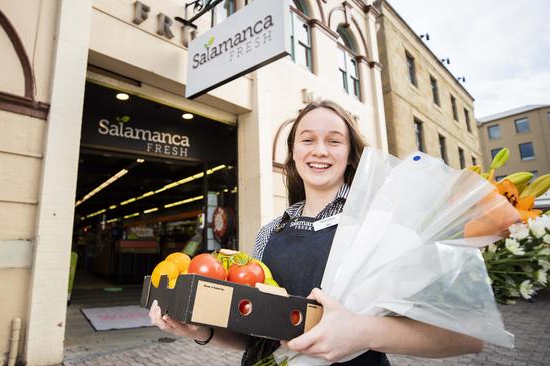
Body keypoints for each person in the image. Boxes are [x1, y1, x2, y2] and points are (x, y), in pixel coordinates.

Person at [149, 100, 484, 365]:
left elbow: (467, 335)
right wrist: (201, 331)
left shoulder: (382, 227)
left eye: (334, 141)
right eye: (307, 139)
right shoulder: (269, 233)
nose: (320, 150)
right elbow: (254, 336)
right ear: (293, 153)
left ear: (351, 155)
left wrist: (363, 331)